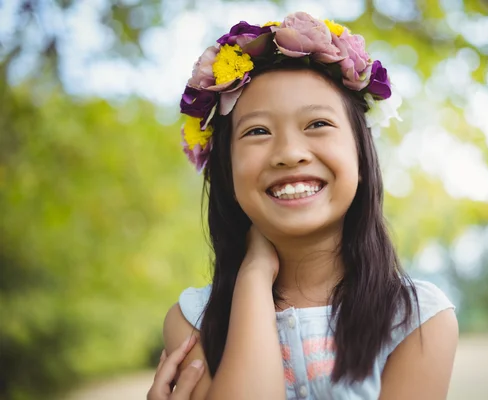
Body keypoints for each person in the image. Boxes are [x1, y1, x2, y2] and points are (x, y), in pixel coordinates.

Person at [153, 11, 458, 400]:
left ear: (363, 159)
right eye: (258, 131)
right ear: (226, 173)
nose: (289, 153)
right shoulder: (193, 319)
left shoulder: (416, 319)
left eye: (317, 124)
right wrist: (254, 276)